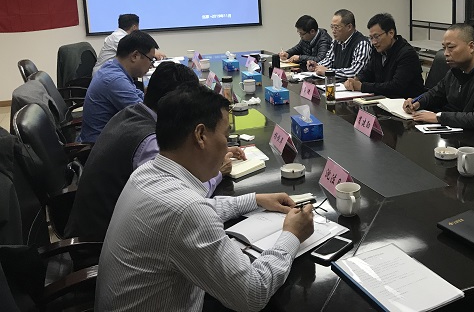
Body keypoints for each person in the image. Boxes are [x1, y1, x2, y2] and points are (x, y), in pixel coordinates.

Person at [95, 85, 314, 311]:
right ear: (200, 136)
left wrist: (255, 199)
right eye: (226, 136)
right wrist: (292, 234)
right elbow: (253, 293)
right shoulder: (186, 210)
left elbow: (198, 208)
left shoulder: (147, 172)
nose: (227, 146)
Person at [65, 62, 246, 242]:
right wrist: (217, 172)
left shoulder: (132, 112)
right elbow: (180, 201)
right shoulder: (151, 141)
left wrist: (212, 149)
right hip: (96, 242)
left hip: (100, 226)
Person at [403, 23, 474, 131]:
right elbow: (436, 93)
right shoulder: (456, 70)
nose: (446, 53)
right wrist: (417, 102)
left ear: (471, 47)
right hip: (459, 132)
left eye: (451, 47)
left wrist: (439, 117)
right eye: (444, 48)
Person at [79, 30, 159, 143]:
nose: (151, 65)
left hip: (110, 136)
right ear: (135, 56)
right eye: (151, 59)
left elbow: (140, 97)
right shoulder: (115, 80)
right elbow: (146, 116)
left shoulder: (113, 66)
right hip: (100, 145)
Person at [344, 13, 424, 98]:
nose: (374, 42)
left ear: (391, 33)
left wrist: (362, 86)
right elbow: (368, 72)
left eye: (376, 36)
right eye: (371, 38)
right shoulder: (377, 50)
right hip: (383, 100)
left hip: (405, 102)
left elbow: (396, 87)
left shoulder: (407, 54)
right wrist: (355, 80)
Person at [307, 9, 372, 80]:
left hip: (351, 85)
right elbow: (329, 60)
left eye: (336, 27)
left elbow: (355, 71)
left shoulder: (362, 43)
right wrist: (317, 66)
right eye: (332, 27)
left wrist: (329, 72)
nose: (333, 31)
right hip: (337, 83)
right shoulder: (336, 41)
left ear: (349, 27)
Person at [93, 14, 165, 75]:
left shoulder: (117, 35)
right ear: (134, 28)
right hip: (104, 74)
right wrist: (153, 54)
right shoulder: (118, 38)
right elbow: (138, 50)